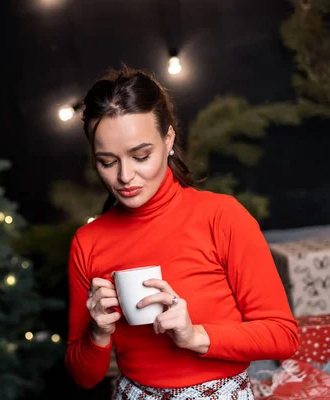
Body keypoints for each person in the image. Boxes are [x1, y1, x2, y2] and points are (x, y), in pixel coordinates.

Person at [64, 65, 299, 399]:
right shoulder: (88, 243)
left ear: (169, 139)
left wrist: (195, 336)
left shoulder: (222, 217)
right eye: (107, 161)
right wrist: (98, 333)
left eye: (140, 155)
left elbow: (283, 335)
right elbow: (83, 377)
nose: (125, 176)